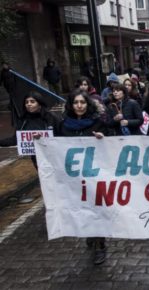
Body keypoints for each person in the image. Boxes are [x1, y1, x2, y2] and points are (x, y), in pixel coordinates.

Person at [57, 89, 108, 265]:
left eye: (83, 102)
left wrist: (103, 138)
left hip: (94, 177)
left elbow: (111, 147)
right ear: (71, 105)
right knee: (81, 210)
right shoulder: (63, 125)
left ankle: (100, 244)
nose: (79, 106)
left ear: (88, 104)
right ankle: (89, 234)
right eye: (76, 102)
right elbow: (55, 147)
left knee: (96, 210)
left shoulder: (98, 124)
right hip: (73, 179)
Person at [0, 91, 60, 170]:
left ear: (39, 104)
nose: (29, 104)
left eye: (32, 102)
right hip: (37, 159)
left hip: (55, 156)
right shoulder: (23, 120)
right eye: (26, 102)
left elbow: (62, 134)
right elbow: (15, 139)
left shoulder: (51, 117)